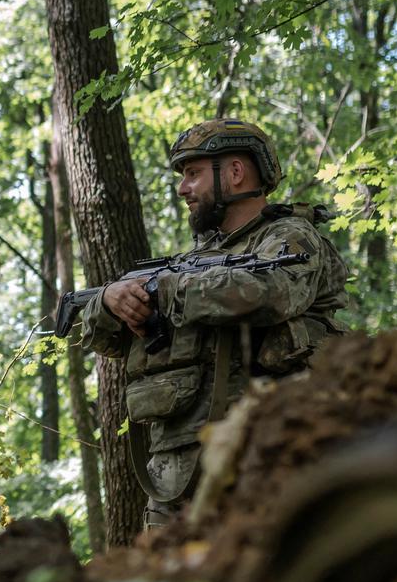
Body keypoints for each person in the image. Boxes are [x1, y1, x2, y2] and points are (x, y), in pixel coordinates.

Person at [81, 118, 348, 528]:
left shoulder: (291, 238)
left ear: (236, 173)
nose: (183, 188)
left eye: (193, 174)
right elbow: (108, 341)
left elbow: (271, 293)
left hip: (267, 455)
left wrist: (166, 292)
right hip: (176, 472)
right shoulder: (185, 264)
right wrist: (110, 300)